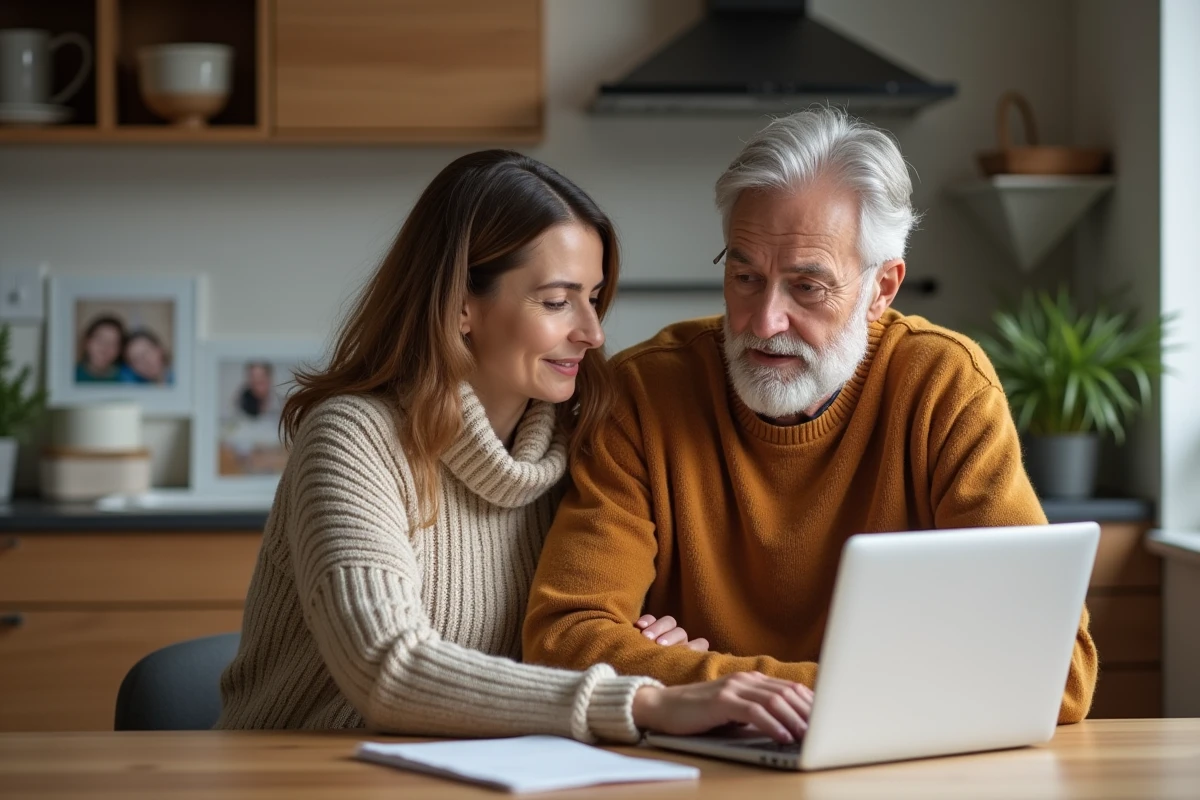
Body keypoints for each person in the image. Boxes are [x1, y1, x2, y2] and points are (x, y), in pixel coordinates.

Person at [217, 150, 814, 745]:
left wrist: (634, 653)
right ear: (461, 306)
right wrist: (642, 699)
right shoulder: (354, 439)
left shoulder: (581, 443)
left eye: (594, 297)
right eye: (556, 302)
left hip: (471, 774)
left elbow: (567, 652)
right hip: (302, 770)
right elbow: (387, 669)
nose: (593, 332)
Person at [522, 108, 1099, 724]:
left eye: (807, 287)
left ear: (882, 289)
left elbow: (1055, 672)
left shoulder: (943, 387)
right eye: (745, 276)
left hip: (890, 767)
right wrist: (896, 683)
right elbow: (561, 642)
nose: (765, 320)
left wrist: (697, 680)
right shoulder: (642, 393)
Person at [75, 315, 125, 382]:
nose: (105, 349)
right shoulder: (70, 374)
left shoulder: (125, 379)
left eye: (113, 343)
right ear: (87, 342)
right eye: (100, 340)